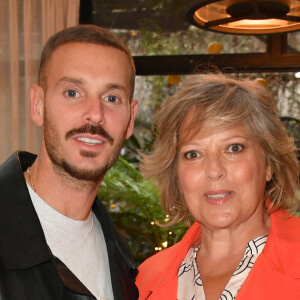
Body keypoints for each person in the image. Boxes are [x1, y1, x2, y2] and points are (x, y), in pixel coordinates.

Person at [0, 25, 139, 300]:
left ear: (130, 119)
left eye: (112, 98)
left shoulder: (127, 265)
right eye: (73, 93)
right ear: (38, 104)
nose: (95, 115)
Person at [136, 73, 300, 299]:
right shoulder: (146, 280)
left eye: (234, 148)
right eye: (193, 154)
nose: (214, 170)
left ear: (269, 164)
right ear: (176, 174)